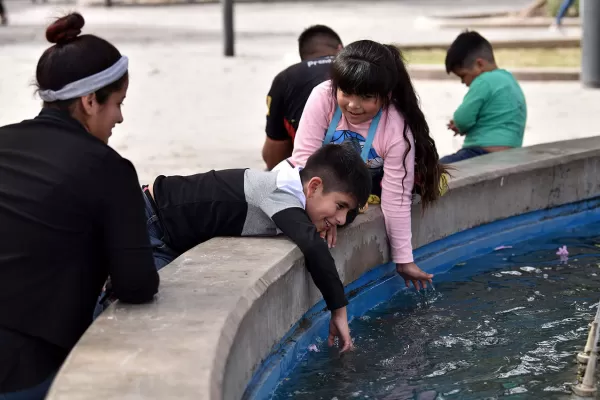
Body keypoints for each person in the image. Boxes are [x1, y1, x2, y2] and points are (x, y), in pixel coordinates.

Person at [0, 13, 159, 399]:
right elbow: (137, 284)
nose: (119, 117)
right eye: (118, 103)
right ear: (89, 101)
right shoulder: (109, 169)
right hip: (27, 368)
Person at [142, 142, 371, 352]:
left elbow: (324, 220)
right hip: (151, 219)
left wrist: (328, 218)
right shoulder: (280, 192)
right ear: (313, 187)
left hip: (165, 227)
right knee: (143, 310)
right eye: (340, 206)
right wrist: (339, 310)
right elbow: (312, 247)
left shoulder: (293, 182)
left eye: (347, 211)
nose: (341, 219)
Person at [289, 40, 447, 291]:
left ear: (386, 96)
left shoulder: (396, 128)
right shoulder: (322, 97)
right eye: (346, 92)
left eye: (366, 97)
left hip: (372, 182)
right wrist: (319, 217)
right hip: (320, 179)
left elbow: (396, 197)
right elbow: (302, 162)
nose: (353, 105)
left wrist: (404, 259)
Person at [262, 25, 343, 170]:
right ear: (341, 49)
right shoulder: (359, 68)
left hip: (316, 171)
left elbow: (273, 158)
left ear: (302, 58)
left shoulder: (286, 78)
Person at [442, 31, 527, 164]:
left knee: (434, 170)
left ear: (480, 65)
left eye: (463, 76)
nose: (463, 82)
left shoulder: (484, 81)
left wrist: (458, 124)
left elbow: (463, 118)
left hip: (481, 153)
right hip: (511, 153)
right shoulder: (509, 79)